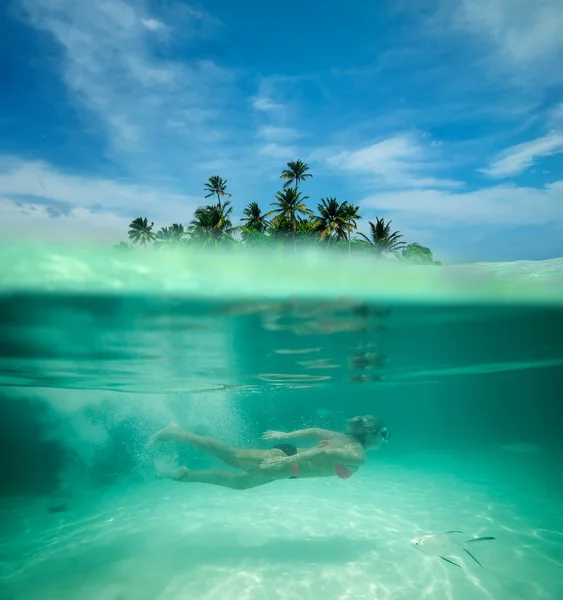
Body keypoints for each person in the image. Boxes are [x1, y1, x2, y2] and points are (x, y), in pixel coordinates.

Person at [149, 415, 388, 490]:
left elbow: (315, 430)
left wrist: (286, 436)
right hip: (285, 462)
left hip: (287, 466)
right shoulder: (358, 455)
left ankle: (182, 475)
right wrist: (288, 454)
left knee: (237, 484)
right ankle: (176, 432)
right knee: (231, 456)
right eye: (384, 434)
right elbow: (324, 455)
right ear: (373, 434)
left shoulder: (343, 439)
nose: (385, 439)